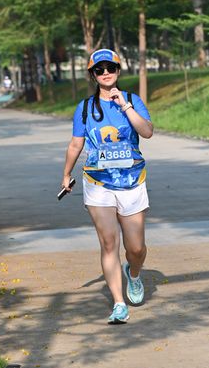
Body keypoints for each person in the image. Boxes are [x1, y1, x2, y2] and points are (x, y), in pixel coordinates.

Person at [61, 48, 153, 324]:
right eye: (99, 70)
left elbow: (147, 131)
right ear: (93, 75)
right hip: (98, 183)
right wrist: (66, 174)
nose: (105, 73)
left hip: (132, 181)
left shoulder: (132, 100)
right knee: (109, 242)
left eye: (110, 68)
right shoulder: (85, 108)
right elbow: (76, 144)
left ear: (118, 71)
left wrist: (124, 105)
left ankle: (133, 274)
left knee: (136, 248)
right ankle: (118, 303)